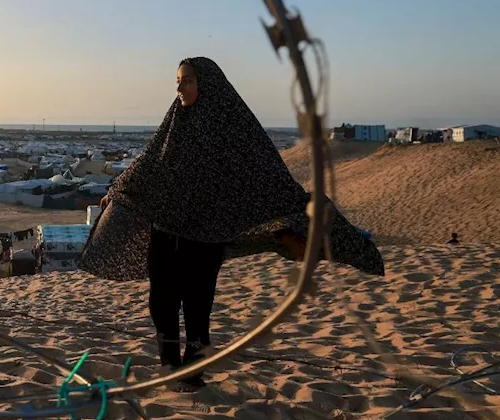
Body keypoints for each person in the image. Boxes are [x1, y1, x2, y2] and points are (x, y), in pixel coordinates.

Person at [83, 57, 383, 386]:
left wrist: (294, 216)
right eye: (178, 81)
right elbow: (149, 163)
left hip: (206, 238)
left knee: (196, 310)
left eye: (187, 80)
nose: (179, 88)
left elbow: (264, 175)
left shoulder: (233, 128)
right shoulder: (175, 123)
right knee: (161, 305)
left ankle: (192, 375)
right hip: (165, 231)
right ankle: (170, 369)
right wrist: (118, 190)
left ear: (206, 84)